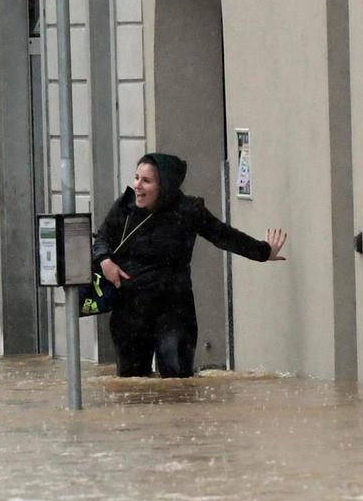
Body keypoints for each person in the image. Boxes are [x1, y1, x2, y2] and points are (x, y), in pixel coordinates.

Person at [92, 152, 288, 378]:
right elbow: (102, 238)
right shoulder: (125, 207)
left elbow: (223, 235)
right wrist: (105, 261)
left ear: (164, 184)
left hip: (173, 311)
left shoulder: (188, 210)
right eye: (136, 178)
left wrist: (264, 252)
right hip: (130, 310)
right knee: (132, 385)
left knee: (177, 384)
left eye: (146, 181)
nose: (137, 186)